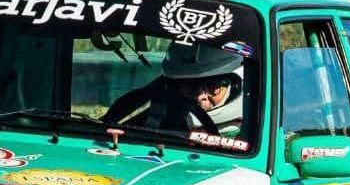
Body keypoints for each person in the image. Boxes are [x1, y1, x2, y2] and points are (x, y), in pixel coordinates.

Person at [105, 44, 245, 135]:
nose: (200, 96)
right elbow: (116, 126)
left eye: (212, 87)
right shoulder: (165, 104)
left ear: (231, 83)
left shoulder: (253, 119)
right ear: (176, 86)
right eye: (190, 86)